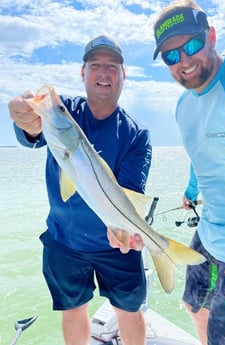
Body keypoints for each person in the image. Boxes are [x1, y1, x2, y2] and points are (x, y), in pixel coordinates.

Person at [8, 35, 152, 345]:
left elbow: (128, 191)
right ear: (82, 72)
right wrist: (27, 123)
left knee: (130, 312)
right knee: (72, 311)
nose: (103, 73)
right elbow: (32, 132)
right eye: (95, 65)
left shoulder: (136, 134)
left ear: (124, 75)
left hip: (116, 245)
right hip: (64, 241)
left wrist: (124, 230)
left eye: (112, 67)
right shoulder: (66, 113)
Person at [152, 1, 225, 344]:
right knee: (193, 307)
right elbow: (201, 154)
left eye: (191, 46)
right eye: (170, 56)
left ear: (211, 36)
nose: (183, 61)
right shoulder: (184, 107)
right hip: (210, 234)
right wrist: (191, 189)